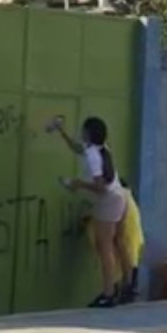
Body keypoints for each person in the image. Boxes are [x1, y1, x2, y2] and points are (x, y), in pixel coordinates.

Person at [47, 115, 129, 308]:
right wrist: (61, 131)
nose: (81, 132)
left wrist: (77, 184)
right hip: (118, 198)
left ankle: (108, 294)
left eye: (83, 130)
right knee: (117, 244)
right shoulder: (98, 148)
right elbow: (77, 148)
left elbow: (100, 186)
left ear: (89, 134)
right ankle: (125, 286)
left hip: (108, 200)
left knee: (105, 248)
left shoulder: (93, 155)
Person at [116, 178, 144, 304]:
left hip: (127, 236)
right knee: (131, 261)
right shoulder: (129, 197)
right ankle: (129, 289)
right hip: (134, 236)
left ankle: (128, 288)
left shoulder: (122, 197)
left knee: (127, 261)